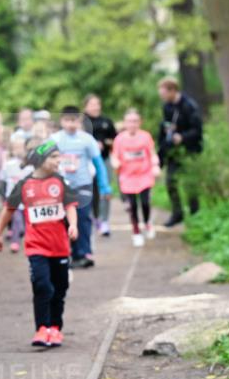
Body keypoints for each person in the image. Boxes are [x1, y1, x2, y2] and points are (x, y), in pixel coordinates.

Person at [0, 141, 78, 348]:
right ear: (41, 160)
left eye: (59, 156)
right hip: (36, 245)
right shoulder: (24, 185)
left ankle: (55, 328)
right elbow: (9, 209)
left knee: (59, 288)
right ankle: (42, 328)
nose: (59, 161)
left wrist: (73, 224)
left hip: (59, 246)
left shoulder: (60, 182)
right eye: (54, 157)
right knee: (41, 286)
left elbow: (70, 206)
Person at [51, 106, 111, 268]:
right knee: (63, 220)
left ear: (79, 121)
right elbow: (40, 155)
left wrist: (104, 185)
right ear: (62, 121)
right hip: (61, 187)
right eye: (68, 120)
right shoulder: (54, 139)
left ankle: (84, 253)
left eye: (74, 120)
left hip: (83, 185)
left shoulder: (87, 139)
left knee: (83, 218)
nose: (71, 124)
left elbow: (98, 163)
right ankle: (67, 253)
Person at [157, 77, 203, 227]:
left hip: (190, 151)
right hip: (173, 152)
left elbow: (198, 131)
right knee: (171, 181)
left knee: (190, 184)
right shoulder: (167, 107)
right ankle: (177, 213)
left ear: (172, 91)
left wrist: (182, 137)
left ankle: (195, 214)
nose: (161, 95)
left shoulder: (189, 106)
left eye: (163, 92)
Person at [111, 108, 160, 247]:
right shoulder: (119, 139)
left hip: (144, 174)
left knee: (145, 203)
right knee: (132, 206)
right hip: (127, 177)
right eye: (129, 121)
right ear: (125, 123)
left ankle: (147, 222)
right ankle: (136, 232)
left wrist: (155, 165)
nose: (132, 124)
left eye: (135, 121)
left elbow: (152, 154)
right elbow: (115, 156)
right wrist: (115, 162)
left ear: (139, 122)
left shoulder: (145, 136)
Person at [82, 94, 117, 238]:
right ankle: (92, 218)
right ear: (85, 106)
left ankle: (104, 221)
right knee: (90, 193)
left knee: (105, 191)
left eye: (98, 104)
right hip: (86, 163)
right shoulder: (81, 121)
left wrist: (104, 144)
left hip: (104, 160)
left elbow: (115, 139)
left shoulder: (106, 121)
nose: (96, 107)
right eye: (92, 104)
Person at [0, 135, 30, 253]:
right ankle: (15, 242)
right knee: (17, 221)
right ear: (12, 150)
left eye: (21, 148)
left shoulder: (30, 166)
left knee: (26, 221)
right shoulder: (8, 165)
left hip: (27, 200)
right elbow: (2, 180)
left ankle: (28, 240)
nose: (19, 151)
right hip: (13, 199)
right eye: (16, 148)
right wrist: (3, 196)